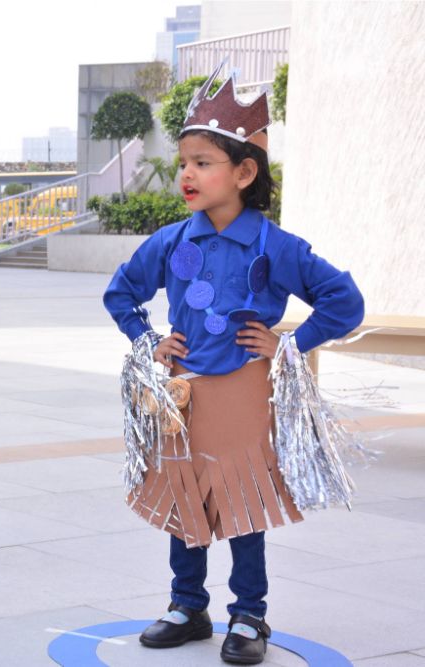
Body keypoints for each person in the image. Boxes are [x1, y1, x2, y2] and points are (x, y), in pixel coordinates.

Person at [103, 64, 364, 664]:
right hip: (180, 393)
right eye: (184, 161)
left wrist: (292, 345)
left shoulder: (276, 246)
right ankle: (187, 603)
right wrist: (148, 341)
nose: (186, 173)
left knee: (244, 501)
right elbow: (121, 292)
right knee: (182, 493)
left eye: (202, 162)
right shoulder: (171, 241)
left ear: (245, 172)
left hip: (245, 392)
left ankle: (249, 616)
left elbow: (344, 301)